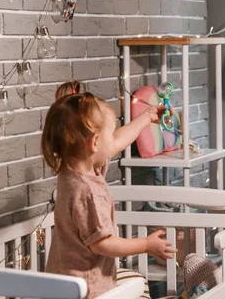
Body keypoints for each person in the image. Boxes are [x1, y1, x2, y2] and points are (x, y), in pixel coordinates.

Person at [42, 81, 176, 298]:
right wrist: (145, 244)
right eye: (109, 133)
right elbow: (103, 243)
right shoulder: (88, 191)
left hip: (63, 281)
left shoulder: (72, 169)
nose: (112, 139)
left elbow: (117, 141)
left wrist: (147, 116)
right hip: (87, 288)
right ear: (94, 142)